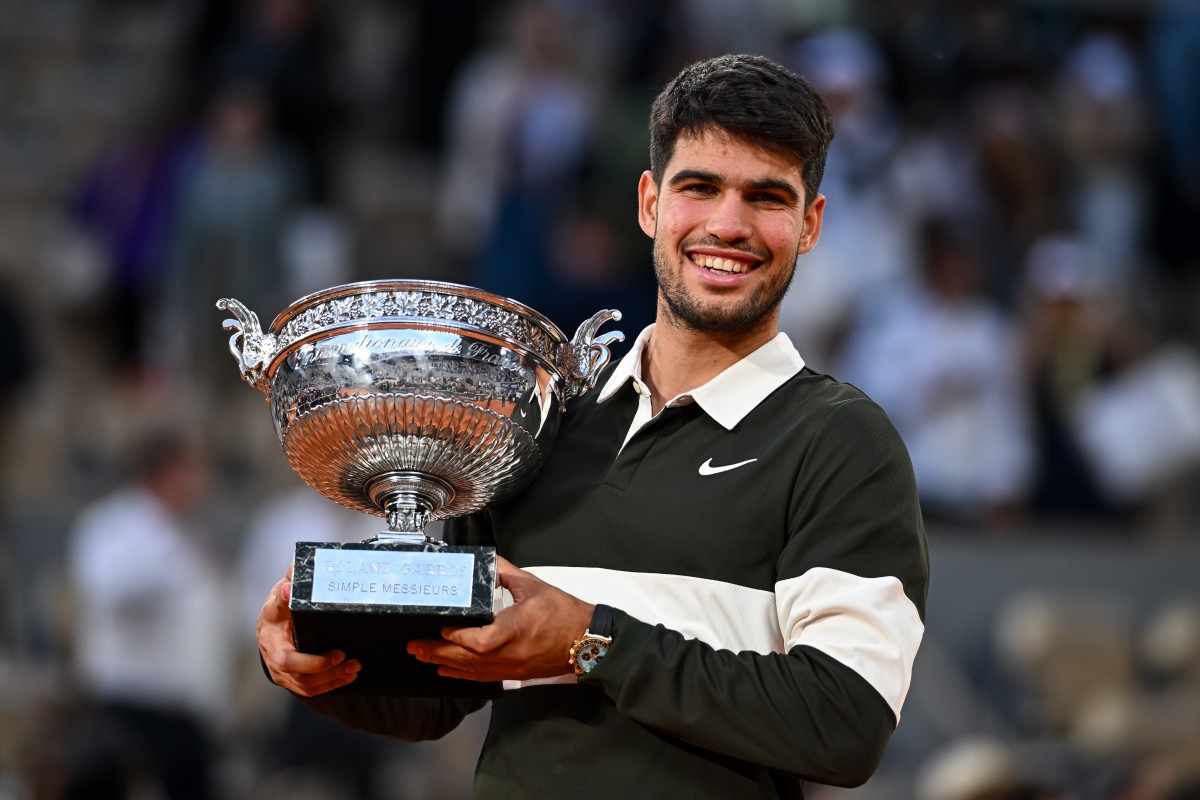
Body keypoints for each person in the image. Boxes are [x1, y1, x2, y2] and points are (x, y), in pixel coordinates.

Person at [256, 53, 929, 798]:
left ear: (810, 223)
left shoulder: (840, 442)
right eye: (698, 187)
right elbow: (437, 684)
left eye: (766, 197)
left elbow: (844, 722)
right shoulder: (538, 424)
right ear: (649, 203)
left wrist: (593, 640)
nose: (727, 225)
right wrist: (316, 659)